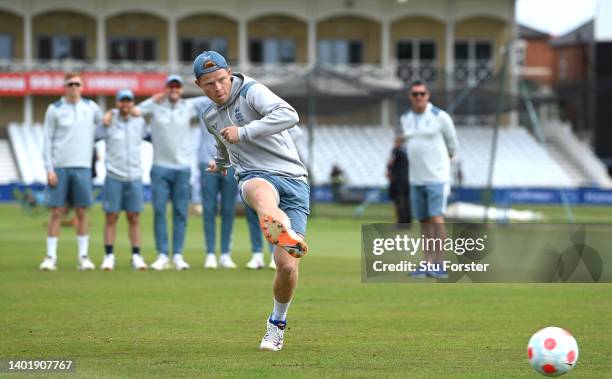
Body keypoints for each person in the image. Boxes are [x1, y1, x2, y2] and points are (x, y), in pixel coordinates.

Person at [193, 51, 309, 351]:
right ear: (199, 85)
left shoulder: (251, 90)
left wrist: (244, 132)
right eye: (209, 84)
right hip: (253, 175)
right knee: (259, 190)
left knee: (285, 266)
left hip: (295, 180)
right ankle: (280, 225)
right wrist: (219, 164)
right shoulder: (208, 116)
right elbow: (222, 143)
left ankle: (276, 324)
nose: (218, 88)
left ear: (229, 73)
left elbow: (289, 115)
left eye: (221, 80)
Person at [39, 72, 102, 271]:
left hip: (83, 167)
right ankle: (50, 256)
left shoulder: (91, 108)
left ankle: (83, 257)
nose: (74, 87)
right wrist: (49, 169)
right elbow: (47, 140)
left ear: (82, 87)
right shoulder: (54, 109)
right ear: (64, 87)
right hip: (60, 167)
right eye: (70, 84)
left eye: (77, 84)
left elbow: (104, 125)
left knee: (82, 212)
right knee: (56, 212)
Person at [135, 75, 199, 271]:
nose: (173, 90)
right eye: (170, 87)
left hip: (182, 167)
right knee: (160, 211)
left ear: (180, 90)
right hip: (160, 167)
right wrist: (151, 99)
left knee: (180, 212)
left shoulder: (188, 107)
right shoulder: (154, 106)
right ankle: (162, 254)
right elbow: (135, 111)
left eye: (176, 87)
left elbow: (209, 101)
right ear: (165, 89)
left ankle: (178, 254)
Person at [400, 80, 458, 279]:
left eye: (422, 93)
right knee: (424, 221)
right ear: (410, 96)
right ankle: (427, 263)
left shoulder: (440, 117)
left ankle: (440, 264)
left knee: (436, 218)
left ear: (428, 95)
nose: (418, 97)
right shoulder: (406, 118)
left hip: (437, 178)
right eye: (415, 94)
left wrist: (442, 169)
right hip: (416, 178)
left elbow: (452, 145)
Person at [98, 89, 148, 271]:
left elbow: (151, 136)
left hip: (134, 176)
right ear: (117, 103)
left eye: (129, 101)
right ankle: (109, 256)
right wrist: (107, 115)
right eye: (122, 101)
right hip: (114, 175)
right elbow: (93, 136)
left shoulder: (140, 122)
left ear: (133, 103)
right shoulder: (108, 122)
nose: (126, 104)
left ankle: (136, 255)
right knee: (111, 217)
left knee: (134, 217)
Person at [387, 136, 412, 227]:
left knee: (399, 202)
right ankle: (407, 222)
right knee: (407, 202)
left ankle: (401, 222)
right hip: (407, 181)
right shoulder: (408, 151)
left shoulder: (396, 151)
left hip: (397, 182)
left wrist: (389, 172)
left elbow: (391, 163)